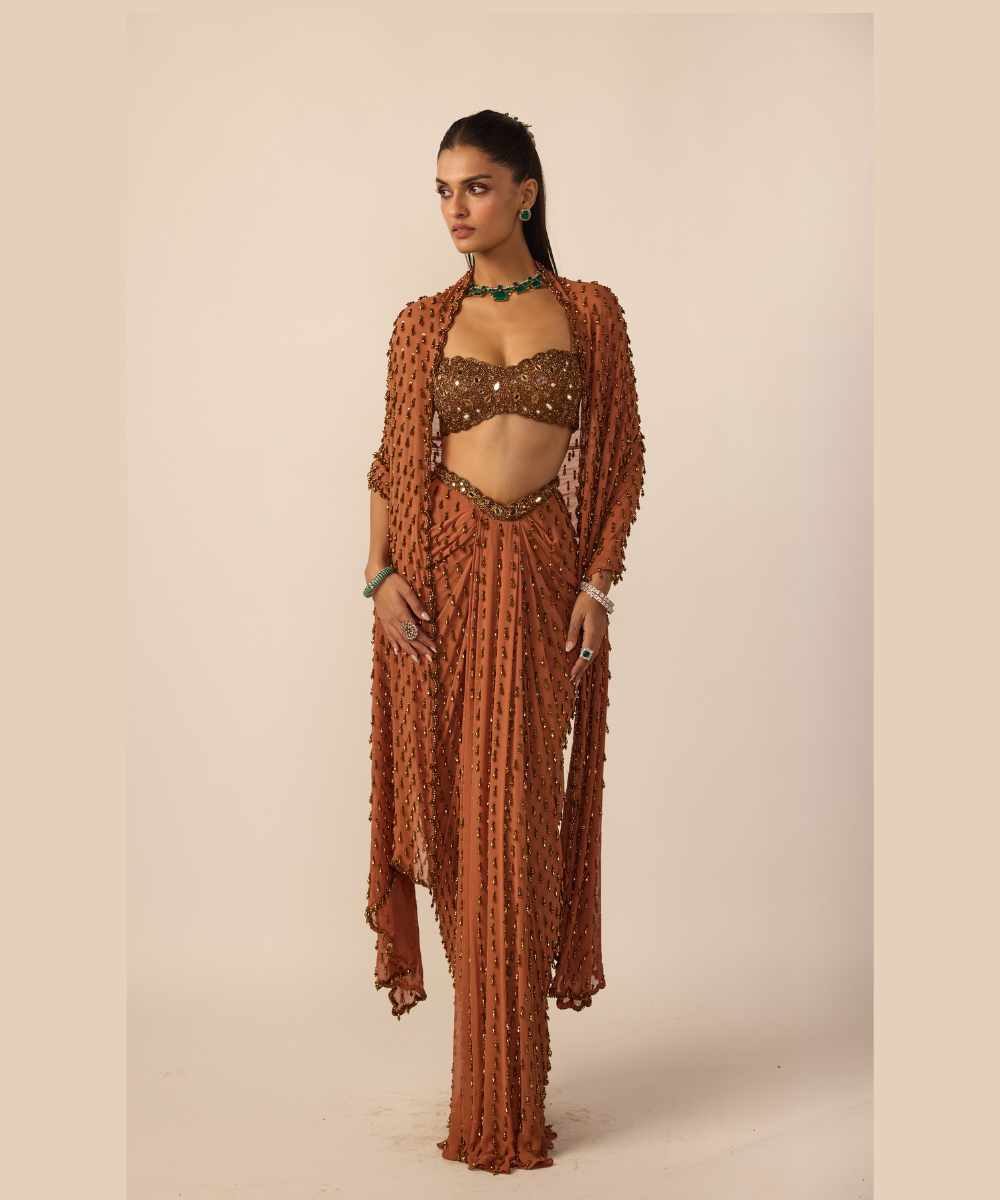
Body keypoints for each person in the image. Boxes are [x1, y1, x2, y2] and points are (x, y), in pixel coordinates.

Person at [363, 109, 646, 1173]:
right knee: (456, 820)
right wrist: (380, 575)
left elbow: (620, 456)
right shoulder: (420, 324)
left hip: (538, 582)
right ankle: (481, 1088)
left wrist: (597, 580)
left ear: (525, 193)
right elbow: (392, 463)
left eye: (475, 187)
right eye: (442, 190)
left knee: (517, 822)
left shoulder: (589, 312)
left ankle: (511, 1092)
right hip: (438, 581)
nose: (455, 208)